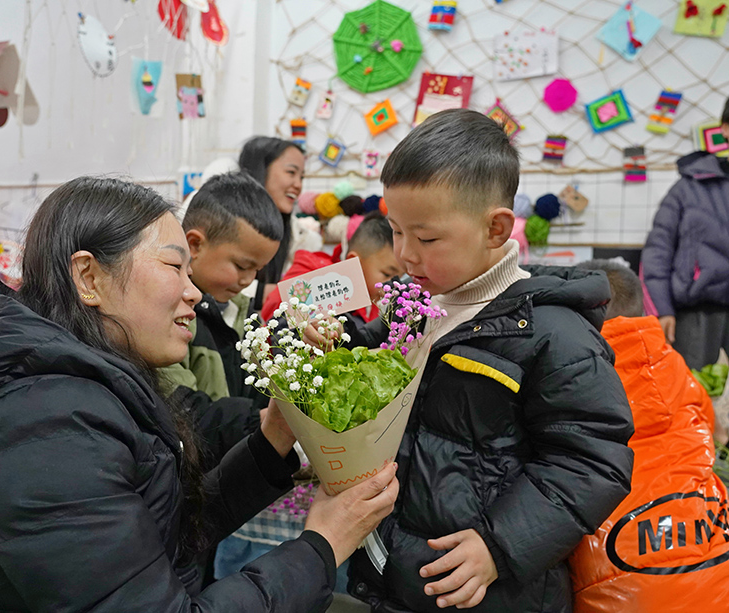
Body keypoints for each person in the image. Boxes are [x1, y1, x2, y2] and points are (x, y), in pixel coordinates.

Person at [0, 176, 399, 612]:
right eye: (173, 266)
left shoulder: (82, 388)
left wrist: (271, 441)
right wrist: (321, 546)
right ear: (89, 277)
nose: (193, 291)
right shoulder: (41, 425)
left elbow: (162, 538)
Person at [308, 109, 635, 612]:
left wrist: (500, 545)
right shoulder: (413, 305)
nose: (405, 254)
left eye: (427, 238)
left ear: (496, 228)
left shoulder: (554, 333)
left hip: (489, 589)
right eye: (396, 231)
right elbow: (371, 354)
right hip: (393, 572)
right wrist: (334, 340)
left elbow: (592, 460)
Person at [568, 259, 729, 612]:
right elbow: (714, 433)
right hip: (719, 584)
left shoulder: (568, 374)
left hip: (622, 596)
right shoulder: (677, 367)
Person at [162, 172, 282, 463]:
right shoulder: (167, 316)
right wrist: (261, 422)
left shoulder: (241, 314)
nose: (248, 279)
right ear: (194, 245)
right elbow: (182, 413)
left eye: (258, 270)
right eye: (241, 266)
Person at [641, 96, 729, 370]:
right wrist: (661, 309)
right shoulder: (689, 186)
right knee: (693, 391)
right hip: (696, 316)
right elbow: (658, 250)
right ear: (725, 128)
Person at [260, 211, 404, 326]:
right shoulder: (314, 274)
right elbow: (275, 311)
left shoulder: (374, 300)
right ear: (354, 261)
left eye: (400, 277)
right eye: (387, 274)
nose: (393, 285)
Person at [238, 136, 305, 309]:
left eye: (302, 177)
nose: (298, 185)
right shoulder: (222, 211)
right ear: (261, 169)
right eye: (291, 172)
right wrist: (263, 293)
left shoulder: (293, 231)